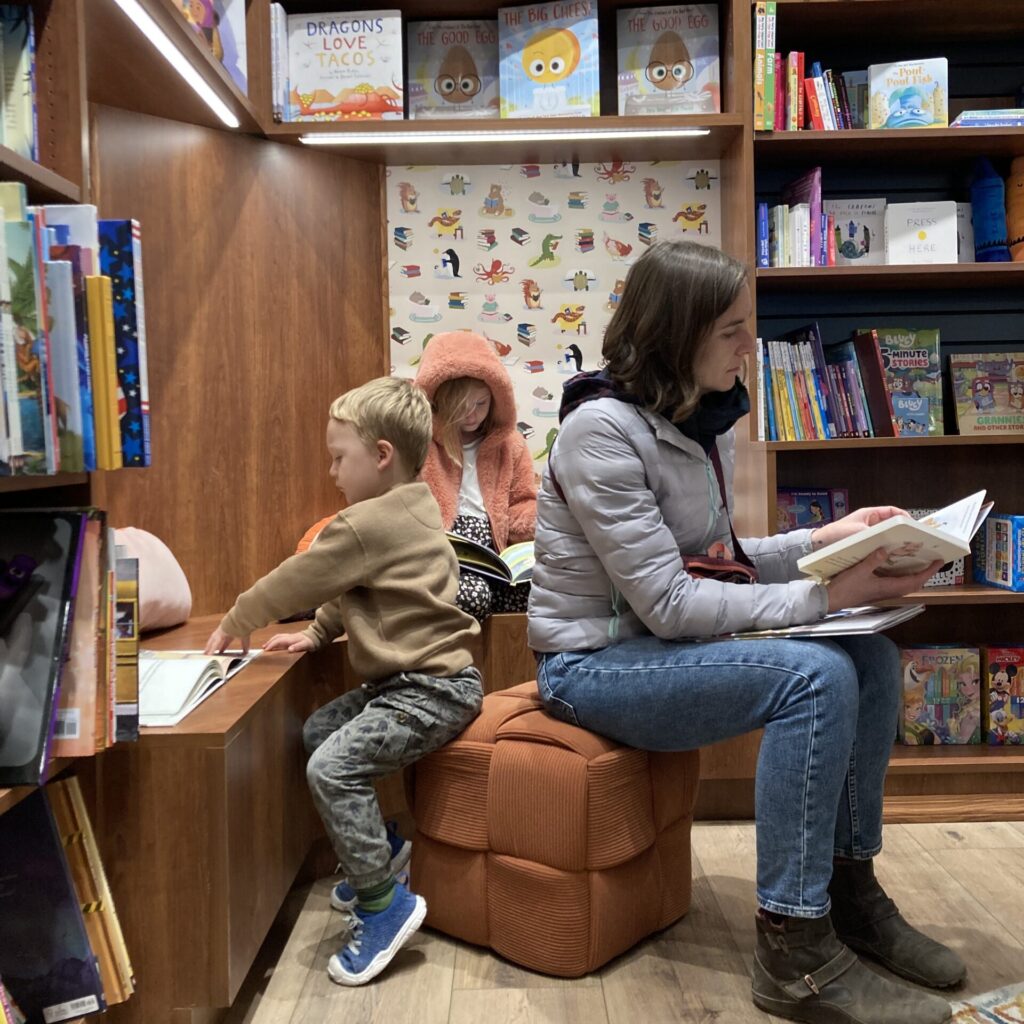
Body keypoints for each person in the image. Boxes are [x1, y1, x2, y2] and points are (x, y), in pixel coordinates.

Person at [527, 240, 963, 1024]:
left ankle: (848, 891)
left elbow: (721, 562)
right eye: (731, 329)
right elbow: (669, 602)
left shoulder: (699, 420)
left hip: (654, 649)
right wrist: (824, 597)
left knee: (870, 656)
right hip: (591, 665)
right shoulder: (600, 431)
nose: (747, 347)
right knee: (815, 674)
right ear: (677, 332)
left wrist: (828, 540)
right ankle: (793, 950)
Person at [204, 376, 483, 987]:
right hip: (419, 682)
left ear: (382, 456)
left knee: (331, 767)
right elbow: (364, 589)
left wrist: (238, 618)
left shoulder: (363, 523)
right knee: (319, 729)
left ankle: (387, 906)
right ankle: (380, 848)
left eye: (339, 458)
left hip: (430, 689)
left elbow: (300, 578)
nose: (331, 472)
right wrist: (314, 633)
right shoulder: (412, 506)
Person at [415, 330, 537, 621]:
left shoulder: (511, 445)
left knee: (538, 594)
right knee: (474, 597)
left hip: (497, 551)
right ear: (439, 402)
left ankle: (505, 664)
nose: (472, 415)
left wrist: (540, 523)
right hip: (444, 551)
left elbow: (522, 501)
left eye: (481, 404)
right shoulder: (422, 444)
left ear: (495, 399)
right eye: (461, 407)